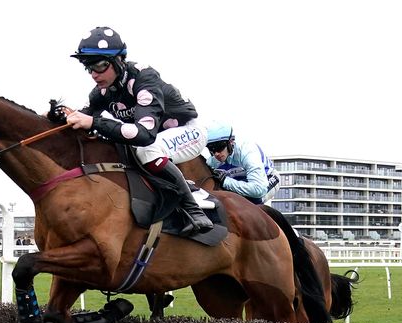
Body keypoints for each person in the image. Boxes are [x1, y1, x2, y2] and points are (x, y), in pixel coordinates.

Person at [63, 26, 213, 236]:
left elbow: (143, 135)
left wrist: (94, 122)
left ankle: (195, 212)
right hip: (159, 138)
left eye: (100, 65)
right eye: (89, 68)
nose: (94, 74)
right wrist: (62, 116)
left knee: (146, 151)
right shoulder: (102, 92)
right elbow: (83, 117)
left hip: (188, 131)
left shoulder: (145, 78)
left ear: (119, 60)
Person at [204, 123, 281, 205]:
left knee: (251, 201)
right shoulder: (212, 161)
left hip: (266, 179)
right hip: (240, 180)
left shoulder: (248, 152)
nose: (216, 154)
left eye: (219, 147)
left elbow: (258, 190)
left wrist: (225, 181)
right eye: (211, 148)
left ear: (231, 142)